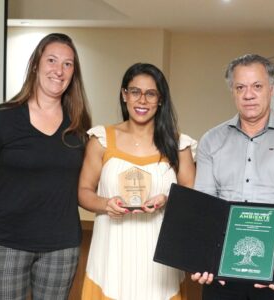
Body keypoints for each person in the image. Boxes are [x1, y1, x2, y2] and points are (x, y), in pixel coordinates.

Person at [0, 33, 92, 299]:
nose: (59, 70)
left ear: (74, 72)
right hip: (6, 244)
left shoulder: (79, 125)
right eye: (52, 60)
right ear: (36, 64)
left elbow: (88, 184)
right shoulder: (3, 117)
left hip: (62, 248)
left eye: (68, 64)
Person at [191, 54, 274, 300]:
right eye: (241, 87)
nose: (248, 95)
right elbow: (205, 201)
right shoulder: (211, 140)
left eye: (257, 86)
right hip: (221, 266)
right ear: (233, 92)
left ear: (271, 89)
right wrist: (204, 254)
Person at [78, 62, 197, 300]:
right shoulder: (101, 139)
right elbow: (83, 191)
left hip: (159, 255)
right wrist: (105, 204)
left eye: (150, 93)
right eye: (135, 92)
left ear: (160, 99)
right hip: (111, 252)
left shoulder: (178, 145)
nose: (142, 101)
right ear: (124, 95)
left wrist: (167, 200)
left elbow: (192, 197)